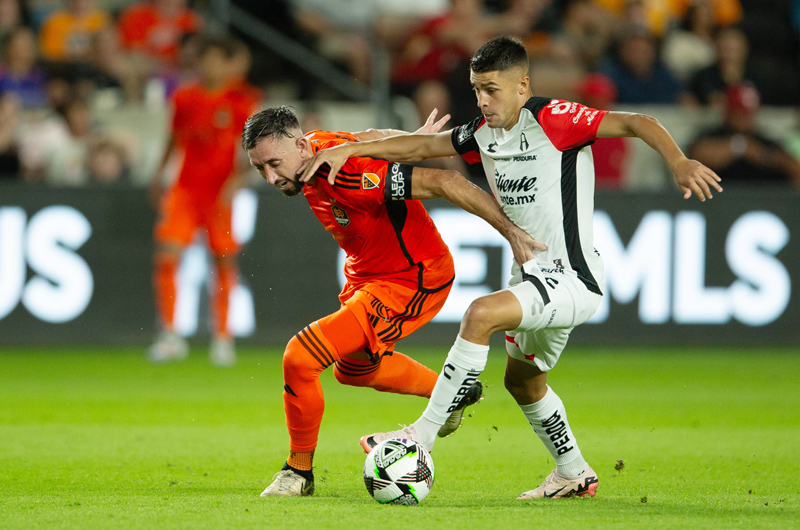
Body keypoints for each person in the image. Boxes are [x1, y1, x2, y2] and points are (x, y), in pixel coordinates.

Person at [299, 36, 721, 499]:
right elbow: (420, 148)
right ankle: (573, 473)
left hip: (573, 276)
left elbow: (637, 120)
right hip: (534, 278)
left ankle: (420, 437)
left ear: (523, 86)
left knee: (479, 314)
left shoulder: (556, 119)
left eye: (493, 89)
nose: (483, 100)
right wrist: (350, 148)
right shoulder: (482, 131)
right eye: (477, 89)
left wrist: (678, 162)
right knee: (522, 381)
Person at [242, 105, 539, 498]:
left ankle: (298, 473)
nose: (271, 177)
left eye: (274, 164)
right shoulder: (316, 149)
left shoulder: (345, 174)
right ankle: (453, 392)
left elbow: (447, 181)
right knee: (353, 371)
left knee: (300, 357)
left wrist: (512, 233)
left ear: (299, 145)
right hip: (366, 276)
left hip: (412, 277)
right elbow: (367, 137)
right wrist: (411, 138)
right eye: (260, 168)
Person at [148, 36, 259, 366]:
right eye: (205, 59)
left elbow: (251, 151)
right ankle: (170, 335)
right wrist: (159, 174)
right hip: (185, 191)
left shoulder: (241, 102)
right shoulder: (184, 97)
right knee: (167, 255)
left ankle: (223, 337)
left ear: (227, 64)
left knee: (223, 262)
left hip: (218, 193)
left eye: (216, 59)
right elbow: (174, 138)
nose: (210, 66)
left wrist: (237, 182)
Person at [689, 83, 800, 187]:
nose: (743, 117)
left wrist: (766, 157)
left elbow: (794, 169)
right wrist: (739, 146)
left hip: (763, 202)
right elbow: (694, 158)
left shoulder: (764, 141)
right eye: (737, 111)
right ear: (727, 111)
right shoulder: (711, 136)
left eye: (747, 112)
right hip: (715, 201)